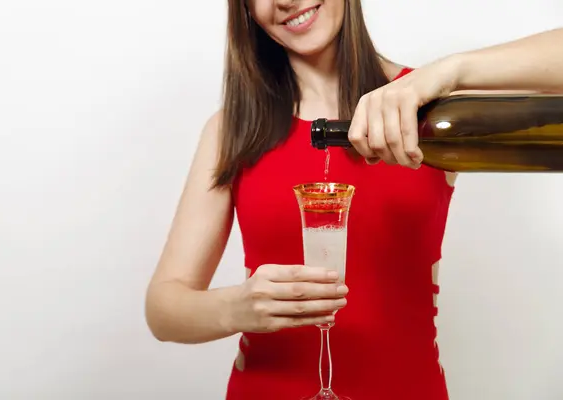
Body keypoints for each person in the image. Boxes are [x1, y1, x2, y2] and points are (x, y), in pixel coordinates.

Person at [145, 1, 563, 398]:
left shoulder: (425, 108)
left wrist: (448, 72)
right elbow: (164, 307)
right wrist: (237, 307)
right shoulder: (232, 130)